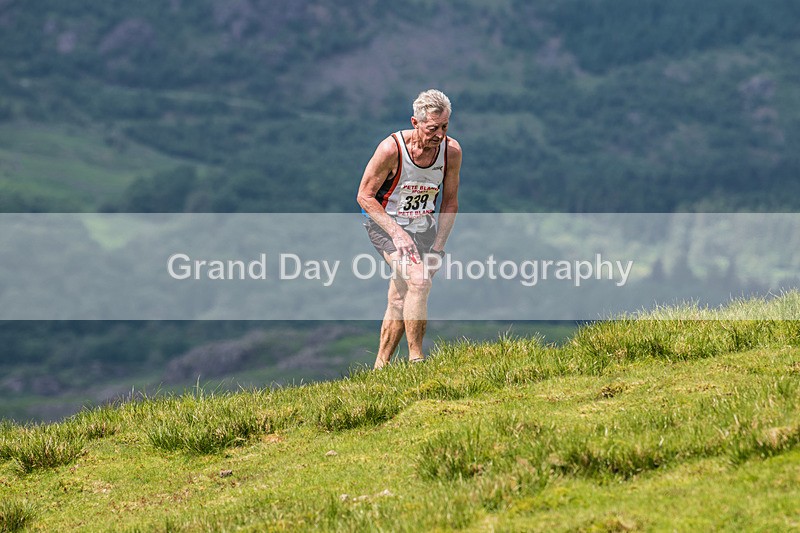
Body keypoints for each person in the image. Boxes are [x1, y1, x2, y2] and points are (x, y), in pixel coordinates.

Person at [356, 89, 462, 369]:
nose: (439, 134)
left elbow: (449, 203)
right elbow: (364, 196)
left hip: (423, 227)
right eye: (432, 128)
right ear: (415, 123)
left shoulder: (451, 152)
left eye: (445, 127)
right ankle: (417, 360)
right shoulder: (391, 149)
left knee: (400, 297)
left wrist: (438, 248)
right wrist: (397, 233)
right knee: (419, 280)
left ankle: (380, 367)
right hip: (386, 225)